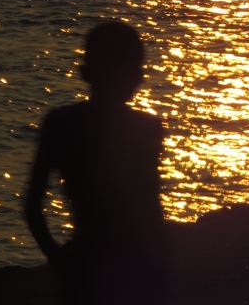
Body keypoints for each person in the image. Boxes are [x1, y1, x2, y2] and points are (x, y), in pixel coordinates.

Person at [25, 21, 168, 304]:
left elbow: (33, 207)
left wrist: (56, 258)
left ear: (86, 72)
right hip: (136, 264)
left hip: (86, 262)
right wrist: (160, 268)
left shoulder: (61, 124)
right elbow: (151, 208)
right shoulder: (147, 128)